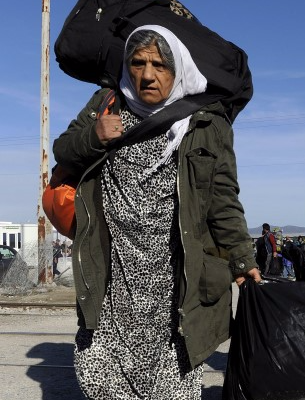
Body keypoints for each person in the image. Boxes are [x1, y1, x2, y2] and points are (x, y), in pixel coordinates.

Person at [52, 25, 260, 399]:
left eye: (160, 65)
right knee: (100, 381)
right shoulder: (106, 102)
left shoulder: (206, 123)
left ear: (178, 68)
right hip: (112, 279)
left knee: (173, 391)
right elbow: (64, 151)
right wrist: (93, 136)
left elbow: (223, 198)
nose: (147, 75)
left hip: (175, 288)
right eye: (138, 62)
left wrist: (243, 260)